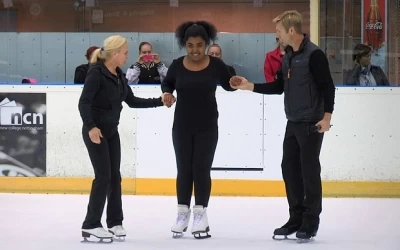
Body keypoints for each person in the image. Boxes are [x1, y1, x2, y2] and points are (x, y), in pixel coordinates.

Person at [230, 10, 335, 241]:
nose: (276, 35)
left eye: (278, 31)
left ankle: (310, 221)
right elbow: (279, 86)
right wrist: (250, 86)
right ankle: (295, 217)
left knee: (308, 171)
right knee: (289, 168)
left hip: (312, 122)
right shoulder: (287, 56)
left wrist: (326, 118)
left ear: (290, 30)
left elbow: (328, 87)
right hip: (293, 121)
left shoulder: (314, 55)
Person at [78, 35, 170, 243]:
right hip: (96, 132)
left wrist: (160, 101)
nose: (128, 56)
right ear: (114, 53)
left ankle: (114, 222)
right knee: (103, 176)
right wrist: (91, 126)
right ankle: (91, 224)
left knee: (114, 177)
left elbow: (132, 100)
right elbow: (84, 103)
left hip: (111, 132)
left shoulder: (119, 75)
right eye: (126, 52)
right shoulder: (96, 73)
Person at [161, 21, 236, 239]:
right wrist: (166, 93)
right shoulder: (177, 65)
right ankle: (182, 213)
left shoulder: (215, 65)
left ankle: (200, 214)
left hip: (207, 127)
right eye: (191, 45)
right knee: (184, 169)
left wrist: (234, 81)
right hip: (182, 126)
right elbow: (168, 83)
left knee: (201, 169)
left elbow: (228, 84)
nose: (195, 50)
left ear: (206, 44)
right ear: (185, 44)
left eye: (199, 45)